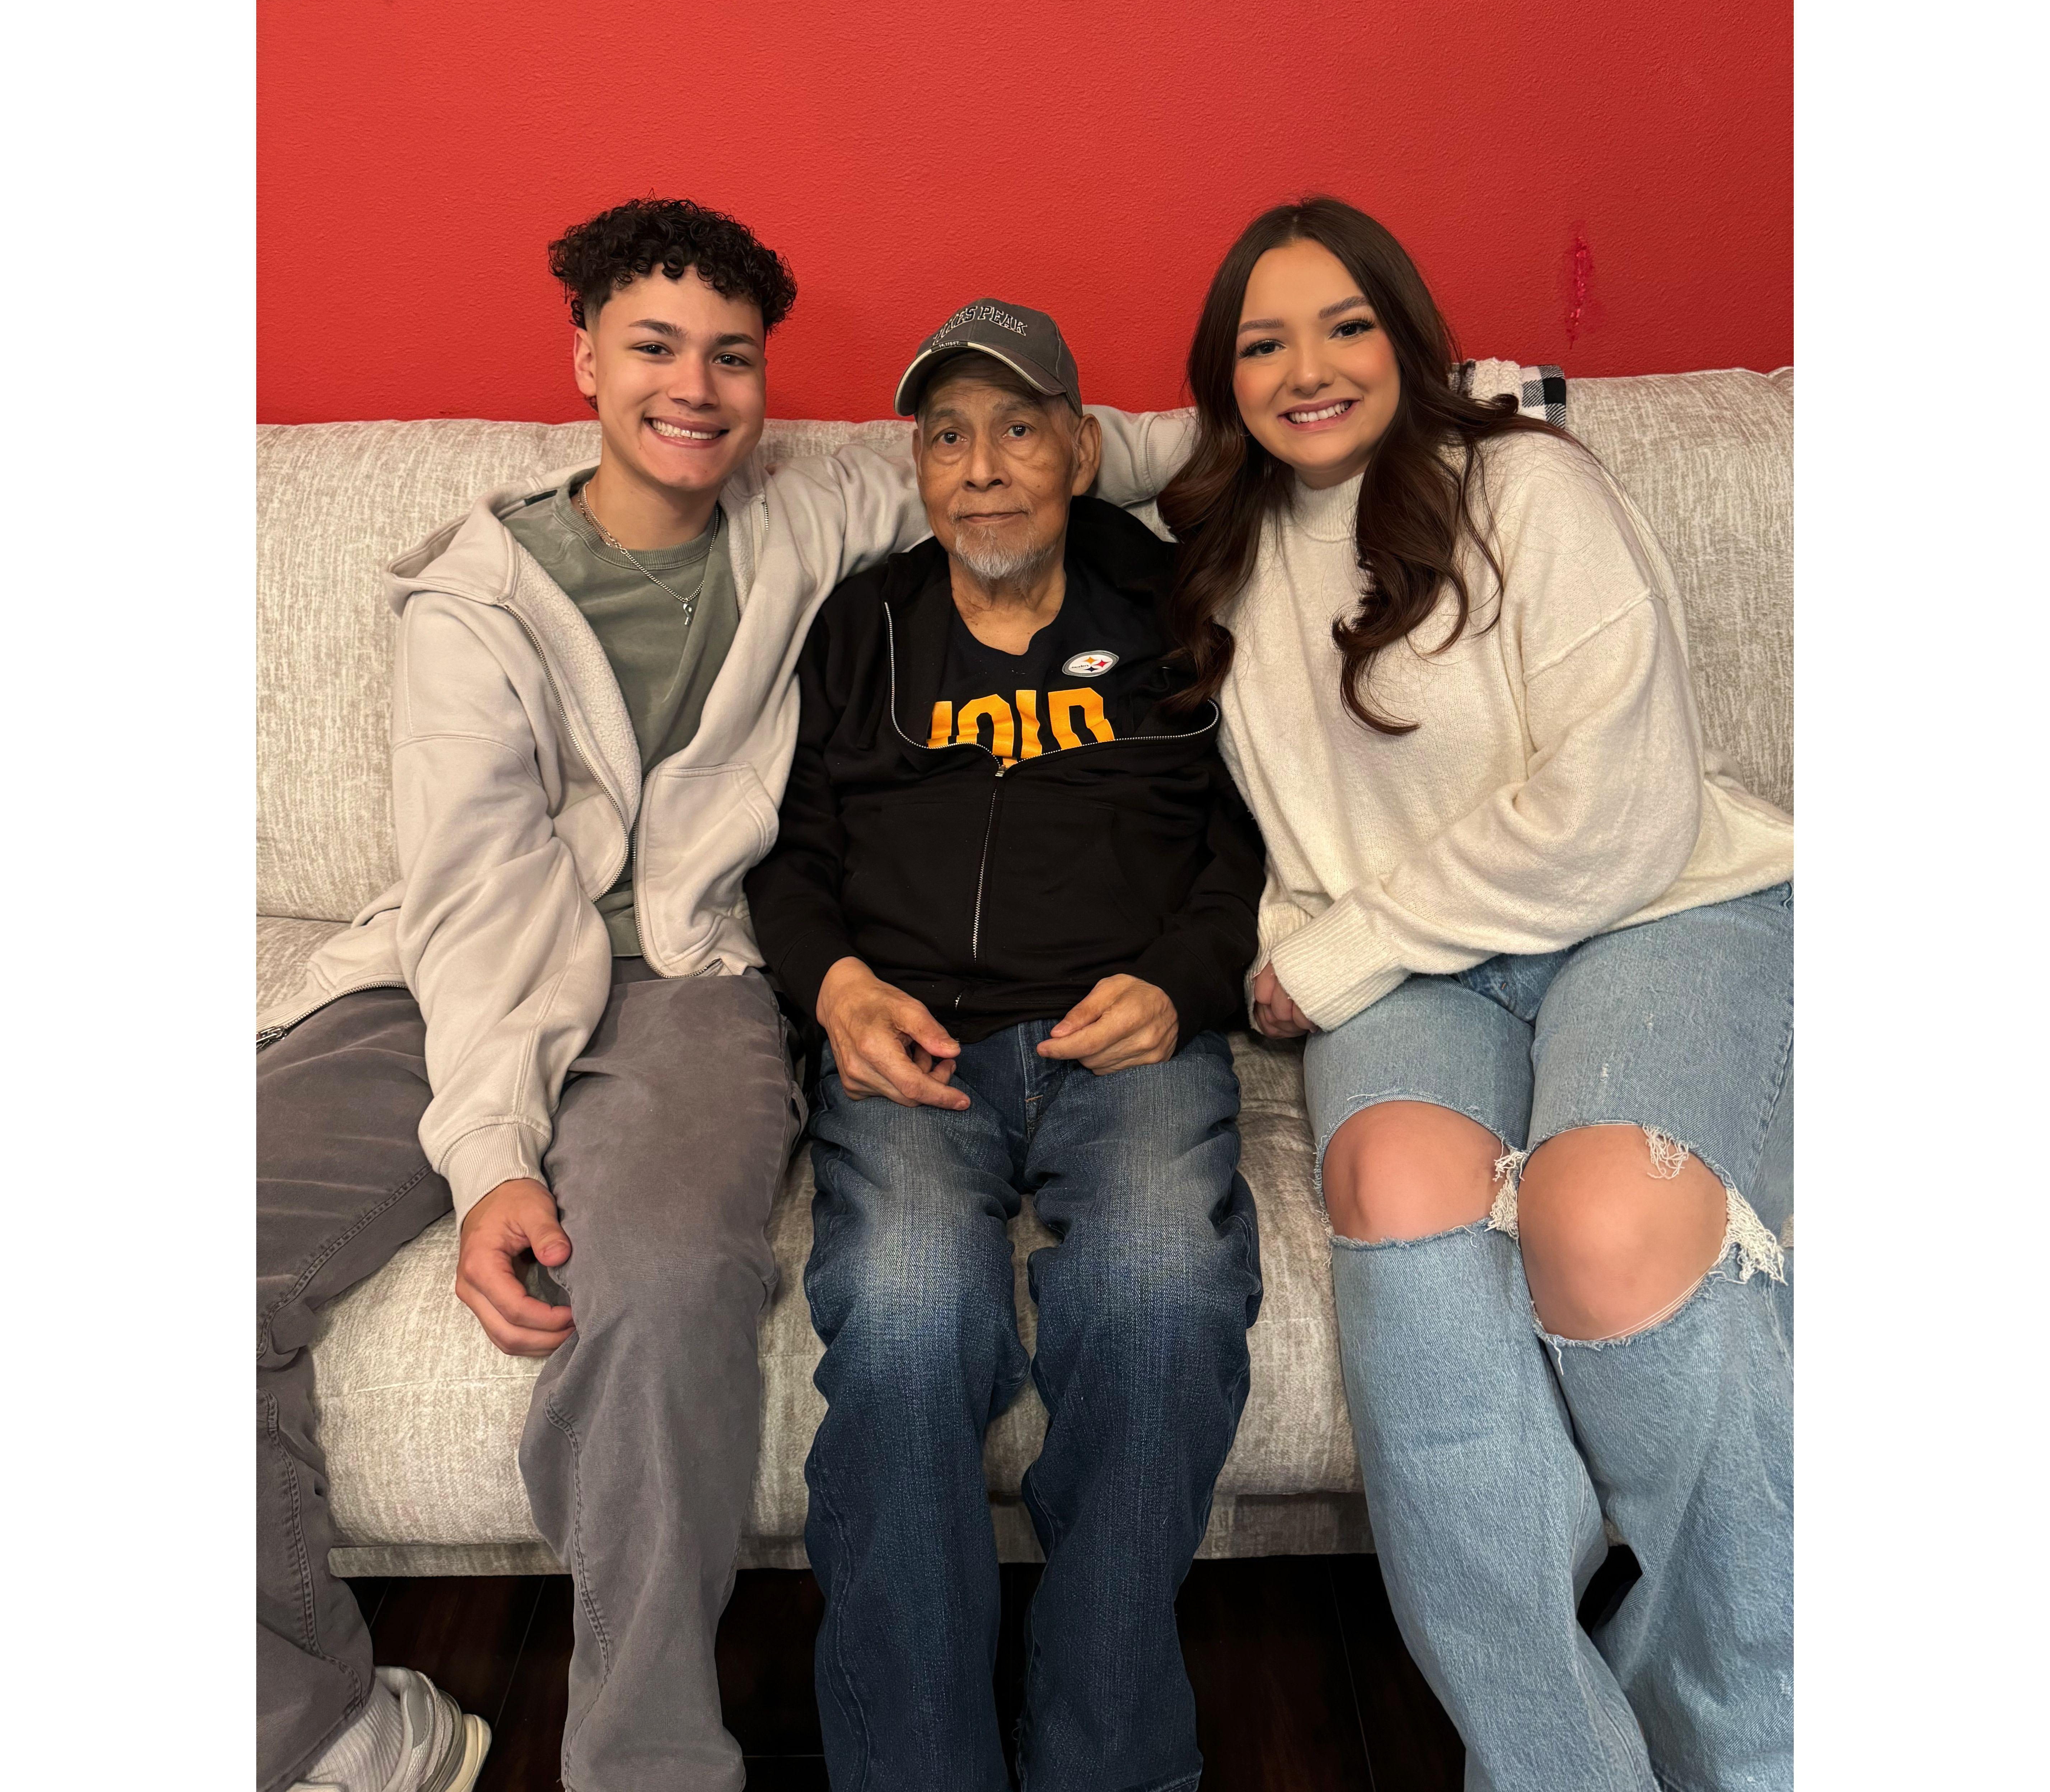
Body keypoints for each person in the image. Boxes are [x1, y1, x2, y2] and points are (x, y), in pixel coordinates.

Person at [256, 211, 1170, 1792]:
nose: (694, 388)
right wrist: (493, 1158)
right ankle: (316, 1729)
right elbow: (479, 904)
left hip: (689, 976)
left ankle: (647, 1765)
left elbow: (1095, 447)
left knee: (669, 1283)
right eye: (654, 348)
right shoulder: (475, 601)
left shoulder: (813, 505)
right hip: (452, 977)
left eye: (730, 357)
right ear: (585, 362)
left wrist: (1410, 404)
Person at [1142, 197, 1795, 1792]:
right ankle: (1552, 1763)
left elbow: (1619, 814)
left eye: (1346, 327)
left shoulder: (1525, 484)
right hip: (1414, 971)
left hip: (1653, 908)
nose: (1308, 370)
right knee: (1396, 1186)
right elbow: (1062, 449)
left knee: (1610, 1219)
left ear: (1412, 336)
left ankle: (1760, 1741)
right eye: (1263, 344)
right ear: (1223, 382)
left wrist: (1330, 955)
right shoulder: (1219, 540)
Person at [744, 300, 1267, 1792]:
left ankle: (1107, 1755)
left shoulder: (1179, 610)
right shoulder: (861, 628)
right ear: (916, 465)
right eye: (948, 437)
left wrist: (1181, 980)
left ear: (1083, 453)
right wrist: (836, 986)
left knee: (1163, 1302)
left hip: (1129, 1040)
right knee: (908, 1322)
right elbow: (785, 852)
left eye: (1019, 429)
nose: (981, 469)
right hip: (915, 1048)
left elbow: (1253, 840)